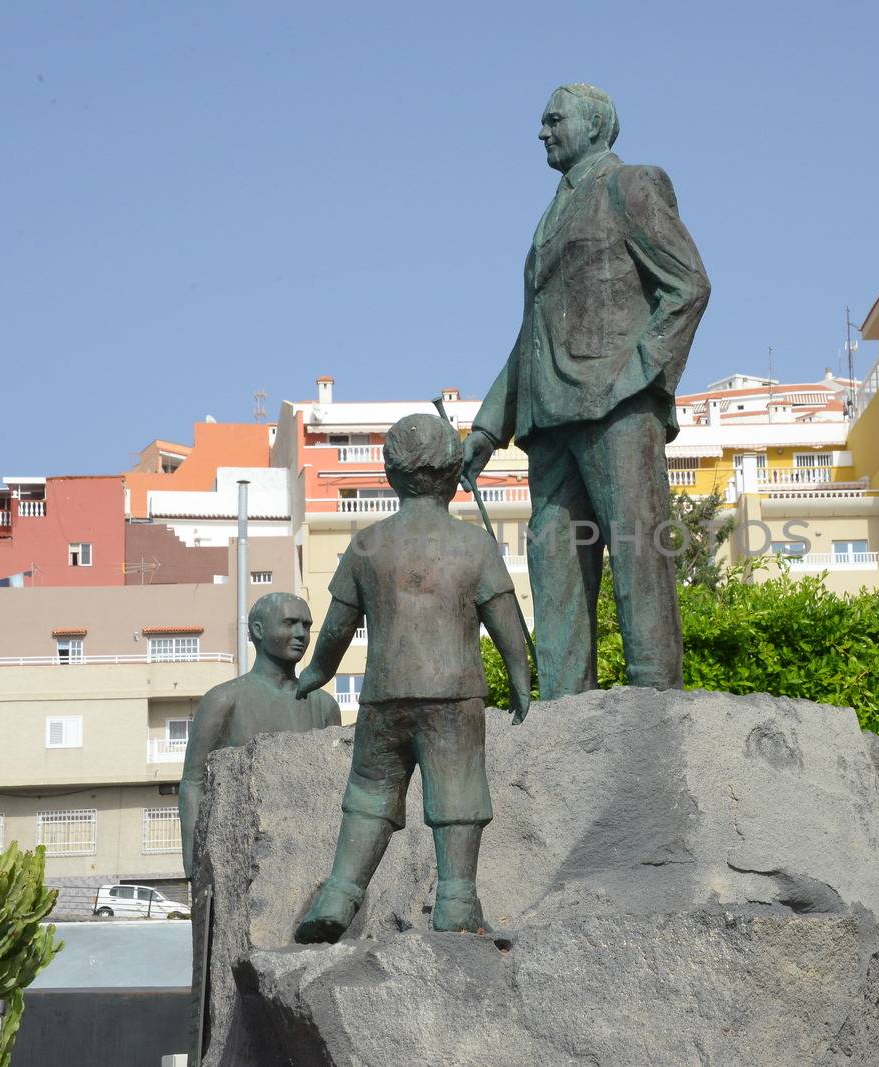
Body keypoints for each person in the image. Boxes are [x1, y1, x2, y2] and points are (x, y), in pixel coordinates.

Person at [460, 83, 710, 699]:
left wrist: (638, 375)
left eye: (553, 119)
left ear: (596, 126)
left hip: (617, 409)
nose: (541, 131)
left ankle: (655, 701)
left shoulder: (632, 186)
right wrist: (490, 427)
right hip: (548, 418)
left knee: (637, 556)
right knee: (554, 570)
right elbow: (532, 337)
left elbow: (689, 286)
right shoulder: (549, 216)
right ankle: (564, 708)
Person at [293, 414, 533, 941]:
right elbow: (505, 620)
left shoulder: (368, 544)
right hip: (454, 692)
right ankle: (456, 900)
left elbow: (336, 627)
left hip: (384, 693)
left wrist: (317, 671)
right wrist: (521, 675)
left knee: (370, 793)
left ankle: (339, 892)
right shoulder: (473, 546)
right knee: (459, 794)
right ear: (454, 475)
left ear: (389, 475)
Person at [178, 592, 340, 878]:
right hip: (243, 853)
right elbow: (193, 782)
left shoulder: (324, 706)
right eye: (290, 623)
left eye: (306, 625)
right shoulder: (224, 700)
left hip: (310, 856)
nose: (301, 633)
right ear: (258, 630)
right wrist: (193, 861)